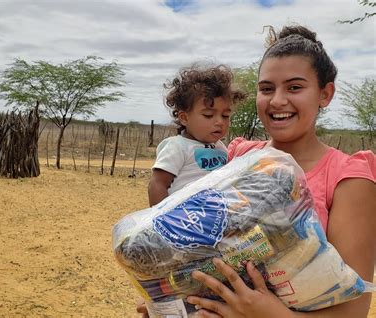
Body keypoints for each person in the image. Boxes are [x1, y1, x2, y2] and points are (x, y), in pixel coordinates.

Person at [137, 24, 375, 318]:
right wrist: (172, 300)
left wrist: (264, 314)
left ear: (325, 94)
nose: (277, 100)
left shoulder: (348, 180)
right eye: (266, 89)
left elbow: (352, 313)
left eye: (295, 87)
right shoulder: (238, 156)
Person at [148, 64, 246, 206]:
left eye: (225, 115)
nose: (220, 122)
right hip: (182, 219)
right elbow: (157, 184)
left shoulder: (220, 148)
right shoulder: (177, 147)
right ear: (184, 118)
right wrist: (161, 221)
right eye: (208, 115)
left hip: (212, 217)